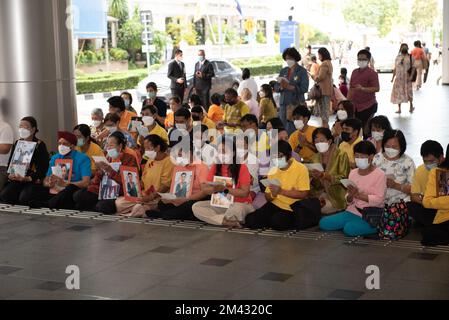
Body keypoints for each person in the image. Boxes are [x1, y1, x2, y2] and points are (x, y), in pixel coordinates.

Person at [320, 141, 386, 237]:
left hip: (371, 213)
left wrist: (358, 195)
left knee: (349, 229)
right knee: (323, 223)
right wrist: (350, 196)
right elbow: (348, 198)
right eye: (356, 156)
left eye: (362, 157)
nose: (359, 159)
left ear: (371, 157)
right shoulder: (353, 172)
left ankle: (377, 226)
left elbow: (379, 200)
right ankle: (354, 224)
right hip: (353, 210)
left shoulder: (380, 174)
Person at [245, 140, 310, 231]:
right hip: (274, 204)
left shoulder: (301, 169)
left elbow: (304, 194)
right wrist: (273, 194)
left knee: (277, 222)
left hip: (291, 207)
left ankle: (276, 222)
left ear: (289, 155)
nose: (276, 159)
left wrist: (281, 191)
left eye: (279, 156)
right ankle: (269, 222)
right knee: (250, 220)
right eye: (273, 156)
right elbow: (268, 197)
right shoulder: (273, 170)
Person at [192, 135, 254, 228]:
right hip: (220, 204)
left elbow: (245, 193)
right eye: (219, 151)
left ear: (233, 153)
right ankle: (226, 221)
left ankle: (219, 220)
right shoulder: (216, 165)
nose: (221, 154)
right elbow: (204, 187)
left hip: (240, 204)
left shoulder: (241, 167)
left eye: (224, 151)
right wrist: (214, 189)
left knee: (236, 210)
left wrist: (225, 189)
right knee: (196, 207)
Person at [73, 131, 138, 214]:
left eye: (111, 145)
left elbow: (128, 182)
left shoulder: (129, 159)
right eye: (107, 145)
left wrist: (110, 171)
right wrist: (99, 171)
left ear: (120, 146)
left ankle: (97, 208)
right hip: (102, 190)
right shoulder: (107, 158)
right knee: (78, 196)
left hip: (118, 192)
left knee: (102, 206)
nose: (108, 148)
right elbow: (97, 181)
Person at [27, 131, 91, 210]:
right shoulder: (55, 157)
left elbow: (86, 183)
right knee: (33, 189)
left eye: (65, 144)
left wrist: (66, 184)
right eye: (59, 143)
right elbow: (45, 180)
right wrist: (49, 183)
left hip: (71, 190)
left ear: (73, 146)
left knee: (70, 188)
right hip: (55, 189)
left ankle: (49, 204)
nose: (61, 146)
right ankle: (54, 202)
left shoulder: (83, 158)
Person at [148, 141, 209, 221]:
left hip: (194, 199)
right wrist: (170, 197)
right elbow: (175, 188)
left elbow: (204, 192)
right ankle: (172, 214)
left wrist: (187, 199)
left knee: (189, 205)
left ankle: (165, 215)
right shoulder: (179, 167)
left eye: (180, 155)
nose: (179, 158)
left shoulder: (202, 167)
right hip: (179, 198)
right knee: (162, 203)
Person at [116, 135, 175, 217]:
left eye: (148, 148)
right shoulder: (150, 160)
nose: (146, 151)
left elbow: (165, 186)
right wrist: (136, 187)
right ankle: (140, 210)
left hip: (158, 197)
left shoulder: (169, 161)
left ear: (157, 148)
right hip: (145, 195)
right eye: (145, 148)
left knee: (139, 207)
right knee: (119, 203)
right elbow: (143, 180)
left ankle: (141, 209)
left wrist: (150, 197)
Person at [0, 117, 49, 205]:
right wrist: (10, 174)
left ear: (33, 129)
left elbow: (43, 167)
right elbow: (11, 161)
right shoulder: (18, 143)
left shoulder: (39, 145)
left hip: (32, 180)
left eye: (25, 127)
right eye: (20, 127)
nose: (22, 129)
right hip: (17, 178)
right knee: (5, 196)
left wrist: (29, 178)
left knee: (25, 198)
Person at [310, 128, 350, 214]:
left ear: (329, 141)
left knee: (319, 209)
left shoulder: (341, 155)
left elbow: (344, 179)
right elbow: (315, 185)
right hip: (319, 193)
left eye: (321, 141)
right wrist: (314, 177)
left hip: (336, 194)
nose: (318, 144)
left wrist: (324, 176)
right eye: (316, 141)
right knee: (308, 205)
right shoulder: (314, 157)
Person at [373, 130, 415, 206]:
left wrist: (395, 185)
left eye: (394, 147)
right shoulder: (377, 158)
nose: (390, 149)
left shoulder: (408, 162)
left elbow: (414, 189)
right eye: (387, 146)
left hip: (400, 205)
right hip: (378, 203)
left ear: (401, 147)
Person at [407, 141, 444, 228]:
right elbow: (413, 196)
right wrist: (425, 201)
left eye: (431, 161)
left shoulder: (446, 169)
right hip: (428, 205)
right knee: (411, 206)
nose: (428, 164)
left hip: (444, 206)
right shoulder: (420, 170)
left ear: (441, 157)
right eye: (425, 161)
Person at [275, 47, 309, 135]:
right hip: (284, 104)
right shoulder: (284, 71)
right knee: (282, 127)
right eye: (286, 59)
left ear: (295, 58)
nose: (288, 60)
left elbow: (305, 88)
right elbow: (276, 86)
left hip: (295, 104)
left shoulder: (302, 71)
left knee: (295, 128)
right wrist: (281, 87)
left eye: (290, 58)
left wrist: (291, 87)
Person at [347, 49, 380, 139]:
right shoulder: (354, 72)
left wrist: (363, 88)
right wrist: (347, 101)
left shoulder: (372, 73)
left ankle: (367, 147)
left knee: (366, 130)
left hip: (368, 106)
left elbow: (377, 88)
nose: (361, 61)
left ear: (368, 60)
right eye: (359, 59)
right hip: (355, 106)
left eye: (363, 59)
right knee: (355, 129)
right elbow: (351, 87)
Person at [421, 144, 449, 246]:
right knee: (429, 235)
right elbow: (428, 202)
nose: (428, 164)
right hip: (445, 218)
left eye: (431, 161)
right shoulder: (442, 173)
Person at [311, 47, 334, 128]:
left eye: (319, 54)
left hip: (323, 91)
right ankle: (325, 129)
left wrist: (313, 77)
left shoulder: (324, 63)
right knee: (325, 112)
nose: (318, 56)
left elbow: (321, 77)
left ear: (322, 54)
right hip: (327, 91)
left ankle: (325, 131)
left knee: (324, 113)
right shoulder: (329, 62)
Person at [391, 44, 415, 114]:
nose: (404, 48)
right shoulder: (397, 57)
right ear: (400, 48)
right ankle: (399, 109)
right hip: (399, 79)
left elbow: (413, 67)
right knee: (399, 93)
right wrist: (393, 78)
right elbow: (395, 68)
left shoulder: (411, 57)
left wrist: (411, 76)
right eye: (402, 47)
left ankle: (411, 106)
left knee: (409, 92)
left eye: (405, 47)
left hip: (407, 79)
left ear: (407, 48)